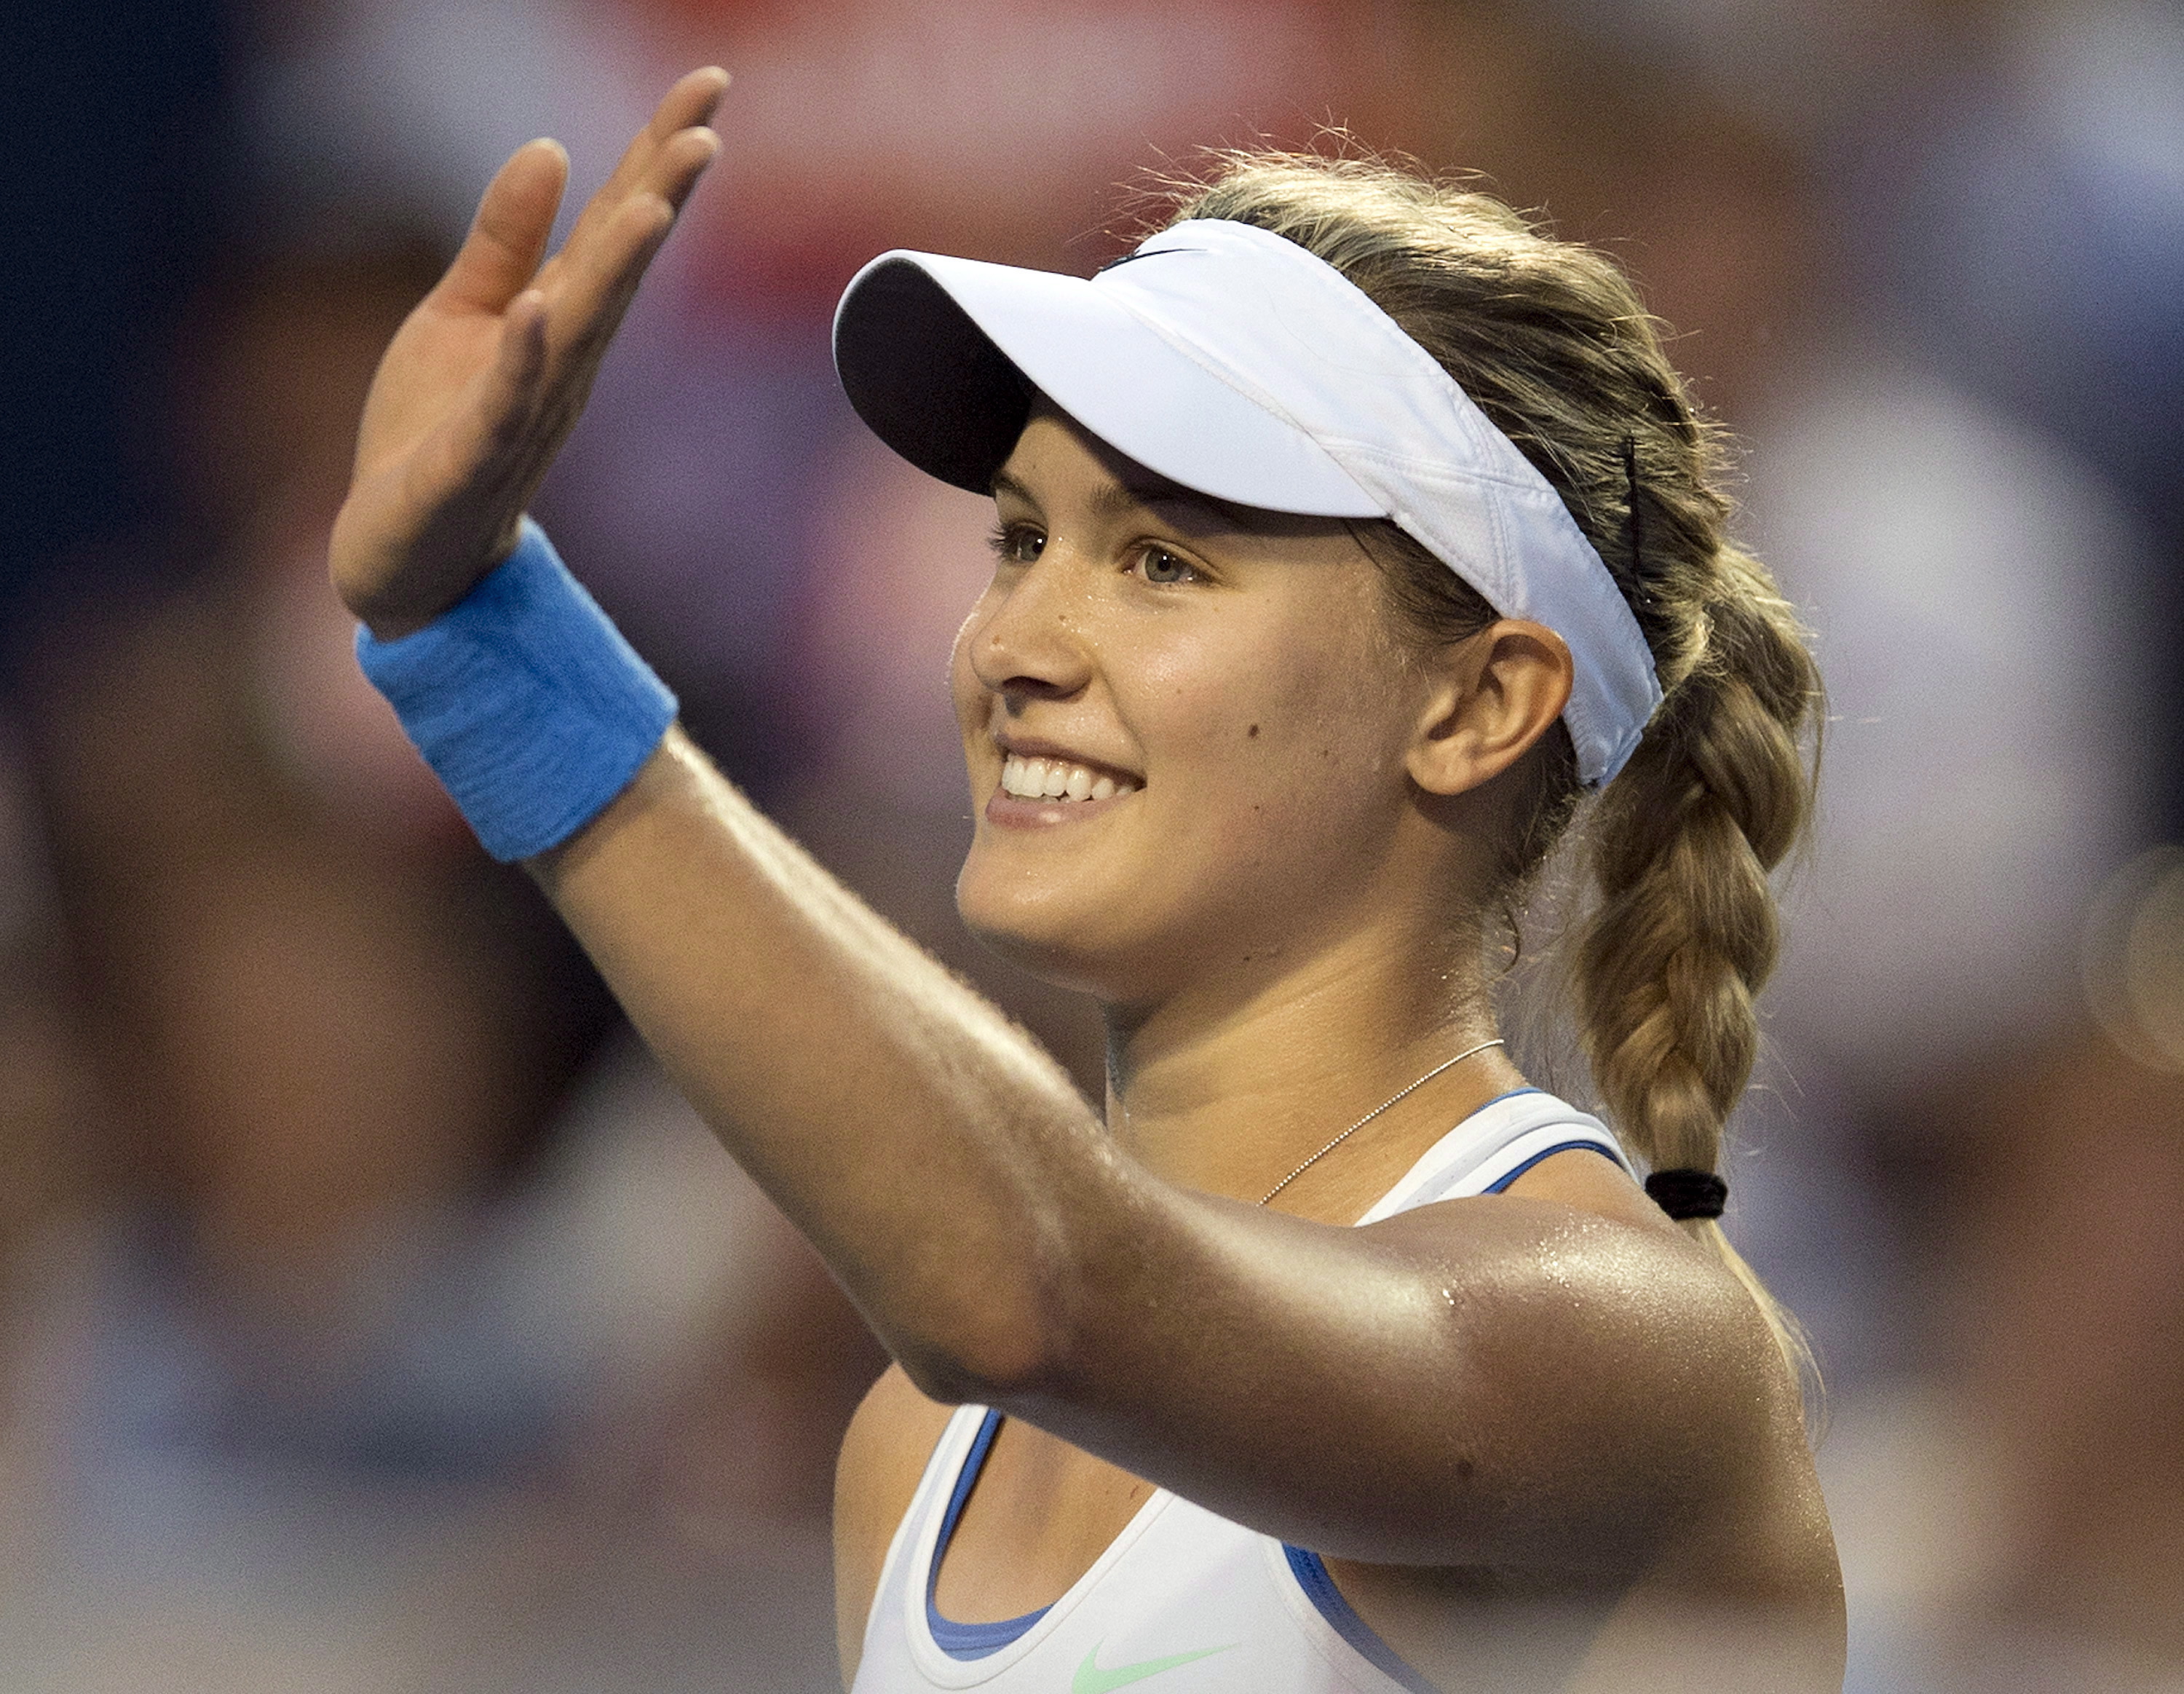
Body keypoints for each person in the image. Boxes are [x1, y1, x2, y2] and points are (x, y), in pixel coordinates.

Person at [332, 69, 1845, 1693]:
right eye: (1017, 541)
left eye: (1160, 561)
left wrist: (489, 652)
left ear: (1478, 706)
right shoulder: (914, 1453)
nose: (1013, 646)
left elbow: (1031, 1286)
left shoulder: (1624, 1343)